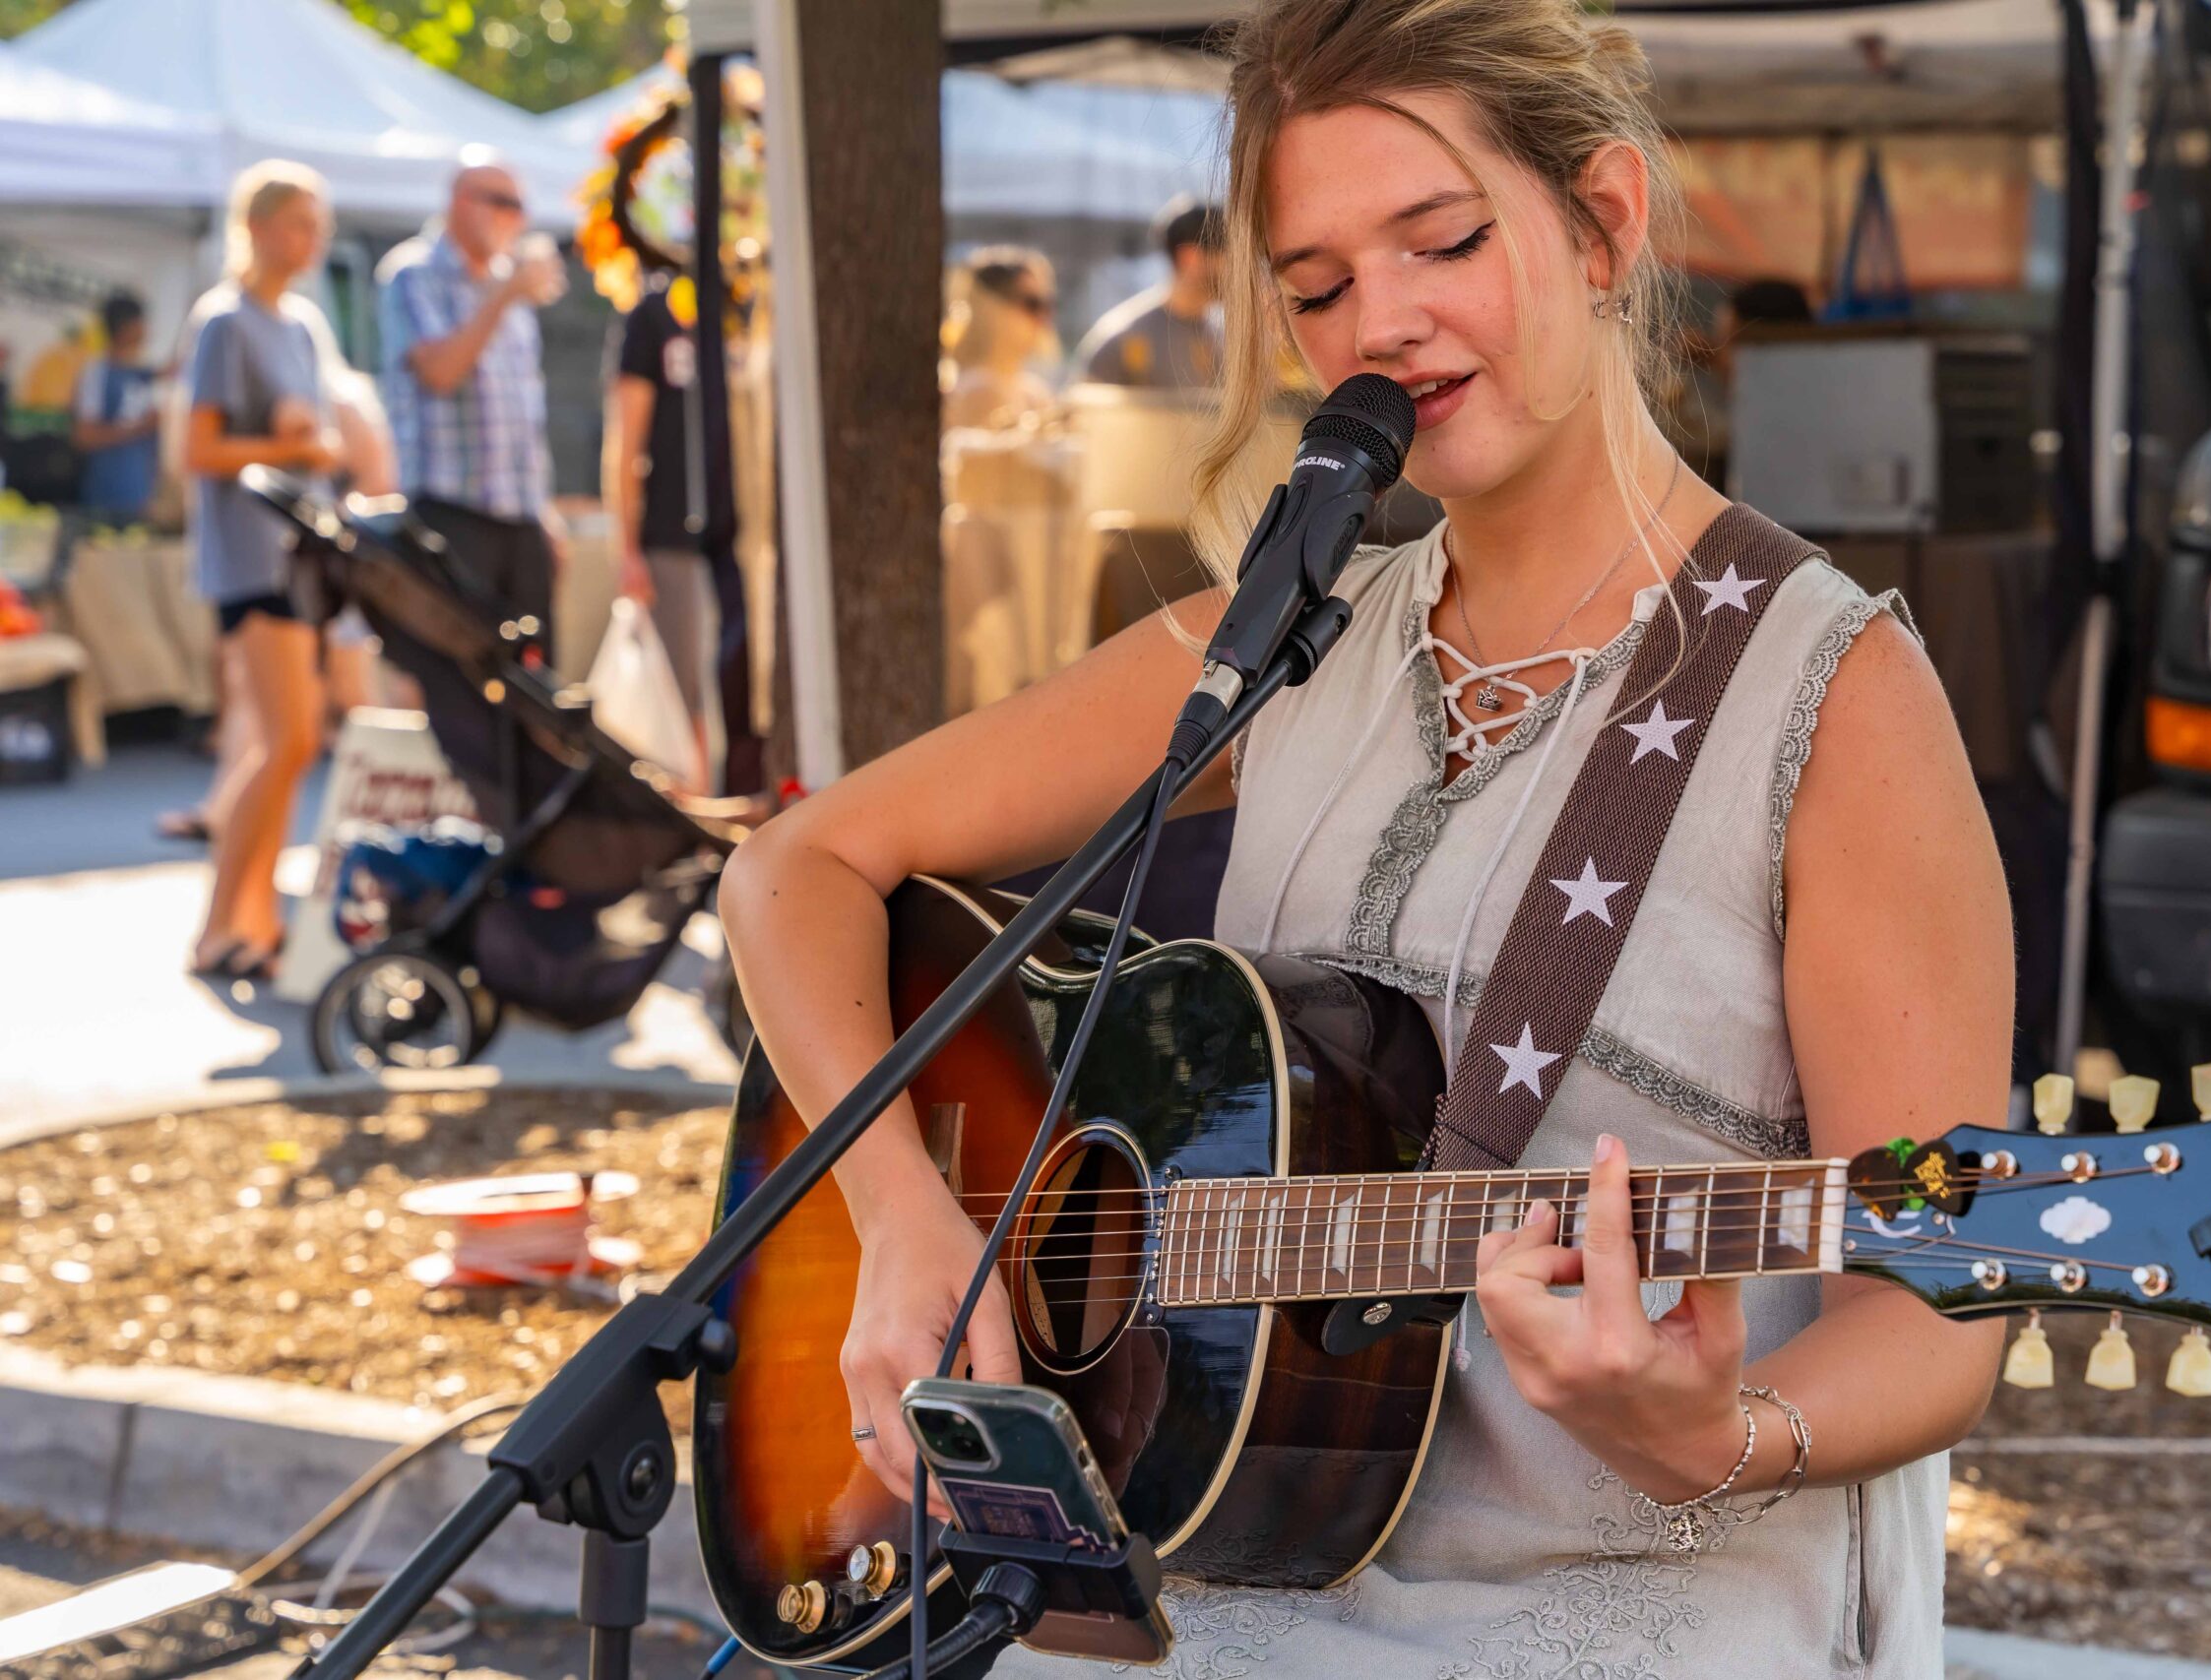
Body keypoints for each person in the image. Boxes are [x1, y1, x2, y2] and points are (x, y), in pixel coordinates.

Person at [719, 1, 2011, 1675]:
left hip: (1638, 1590)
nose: (1381, 325)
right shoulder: (1280, 645)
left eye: (1444, 241)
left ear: (1605, 220)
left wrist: (1718, 1430)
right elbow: (797, 868)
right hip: (1237, 1569)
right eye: (1317, 287)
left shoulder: (1832, 693)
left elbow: (1940, 1304)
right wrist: (906, 1217)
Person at [178, 160, 338, 980]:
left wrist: (312, 446)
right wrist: (289, 447)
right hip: (247, 557)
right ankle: (216, 929)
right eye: (301, 222)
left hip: (300, 555)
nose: (315, 238)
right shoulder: (225, 323)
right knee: (286, 740)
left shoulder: (302, 324)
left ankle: (255, 921)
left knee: (292, 744)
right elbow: (197, 451)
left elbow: (323, 438)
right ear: (262, 226)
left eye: (319, 222)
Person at [376, 158, 565, 651]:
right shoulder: (414, 273)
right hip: (451, 512)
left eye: (520, 206)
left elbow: (524, 412)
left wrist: (541, 511)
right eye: (501, 202)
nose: (514, 218)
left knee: (536, 678)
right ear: (460, 201)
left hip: (519, 517)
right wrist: (501, 296)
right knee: (465, 676)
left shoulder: (510, 285)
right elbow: (440, 372)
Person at [605, 274, 716, 774]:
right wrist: (626, 549)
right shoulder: (653, 314)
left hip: (740, 545)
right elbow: (626, 442)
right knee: (679, 701)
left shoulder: (745, 304)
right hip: (672, 541)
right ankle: (693, 830)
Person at [1071, 196, 1224, 389]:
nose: (1242, 272)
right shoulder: (1122, 339)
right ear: (1190, 257)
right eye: (1228, 256)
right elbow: (1084, 413)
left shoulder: (1224, 338)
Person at [940, 247, 1059, 432]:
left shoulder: (1033, 391)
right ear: (991, 307)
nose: (1042, 317)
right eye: (1031, 303)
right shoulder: (977, 390)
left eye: (1047, 304)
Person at [70, 292, 160, 527]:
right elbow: (84, 436)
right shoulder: (97, 373)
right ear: (127, 327)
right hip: (104, 501)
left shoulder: (145, 373)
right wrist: (139, 428)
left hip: (141, 500)